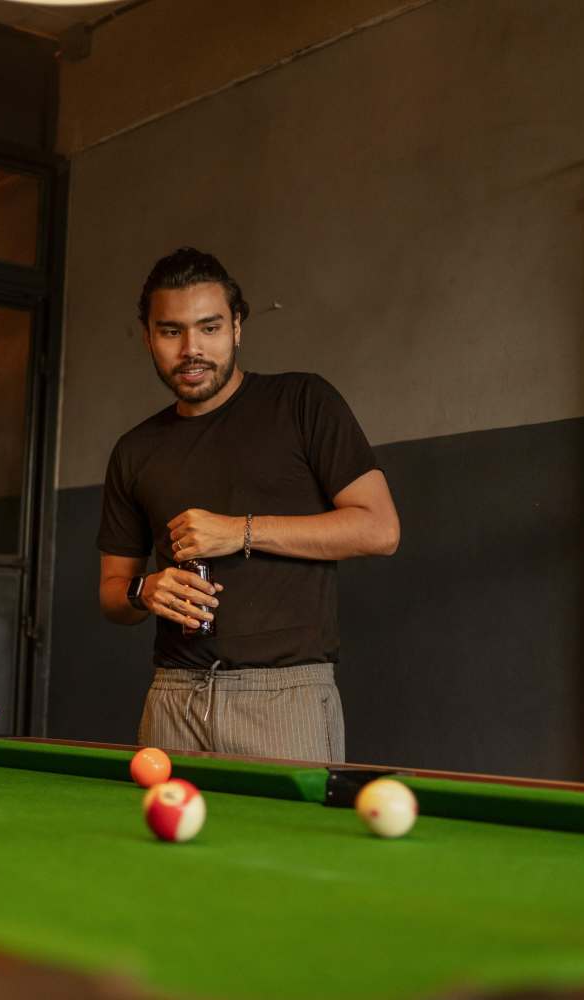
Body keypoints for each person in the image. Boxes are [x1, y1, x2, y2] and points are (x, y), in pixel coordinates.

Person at [97, 247, 400, 762]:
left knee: (291, 846)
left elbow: (379, 530)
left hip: (286, 697)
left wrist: (239, 531)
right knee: (158, 844)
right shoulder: (134, 449)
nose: (191, 348)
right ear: (148, 336)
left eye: (209, 328)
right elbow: (111, 595)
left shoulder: (304, 402)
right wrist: (144, 590)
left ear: (237, 327)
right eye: (171, 332)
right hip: (172, 697)